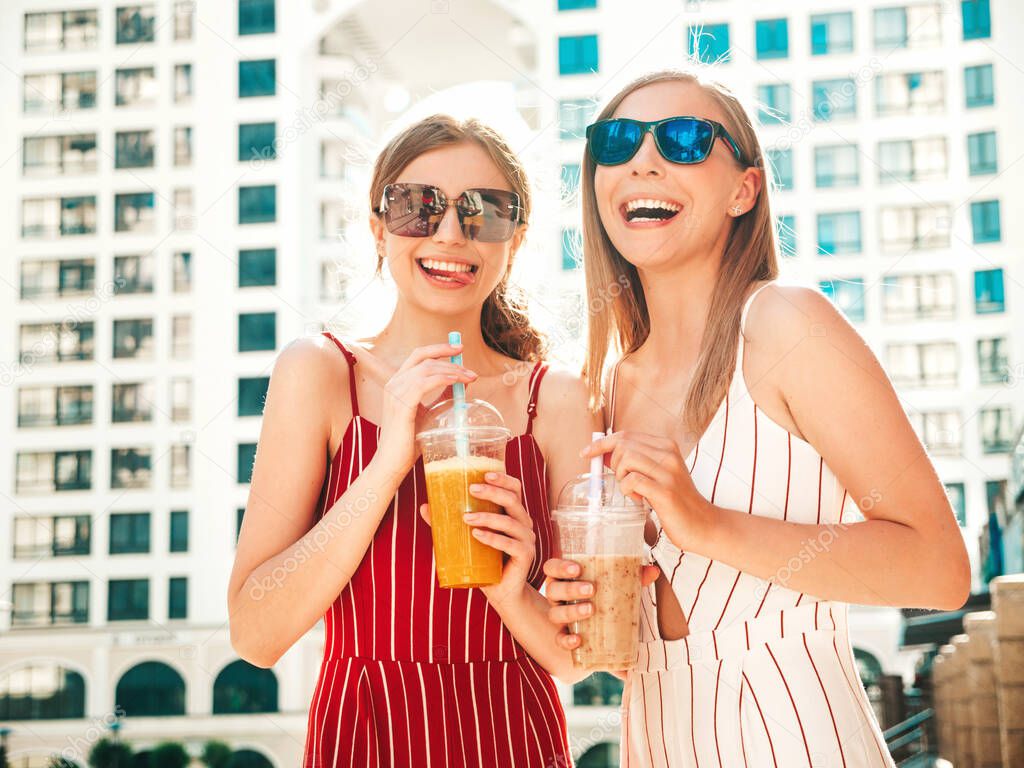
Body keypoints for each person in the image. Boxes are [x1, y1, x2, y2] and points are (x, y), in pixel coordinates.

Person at [544, 69, 970, 767]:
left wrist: (707, 525)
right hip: (654, 741)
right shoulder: (603, 391)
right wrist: (572, 607)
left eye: (683, 140)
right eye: (616, 142)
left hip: (797, 737)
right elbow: (608, 652)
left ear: (744, 188)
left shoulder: (785, 325)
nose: (643, 160)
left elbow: (940, 569)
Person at [227, 115, 597, 767]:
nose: (451, 233)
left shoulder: (557, 398)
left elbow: (576, 657)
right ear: (378, 229)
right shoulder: (319, 371)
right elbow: (256, 634)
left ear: (516, 238)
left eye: (484, 210)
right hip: (364, 734)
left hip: (514, 735)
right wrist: (386, 464)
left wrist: (514, 591)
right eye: (417, 207)